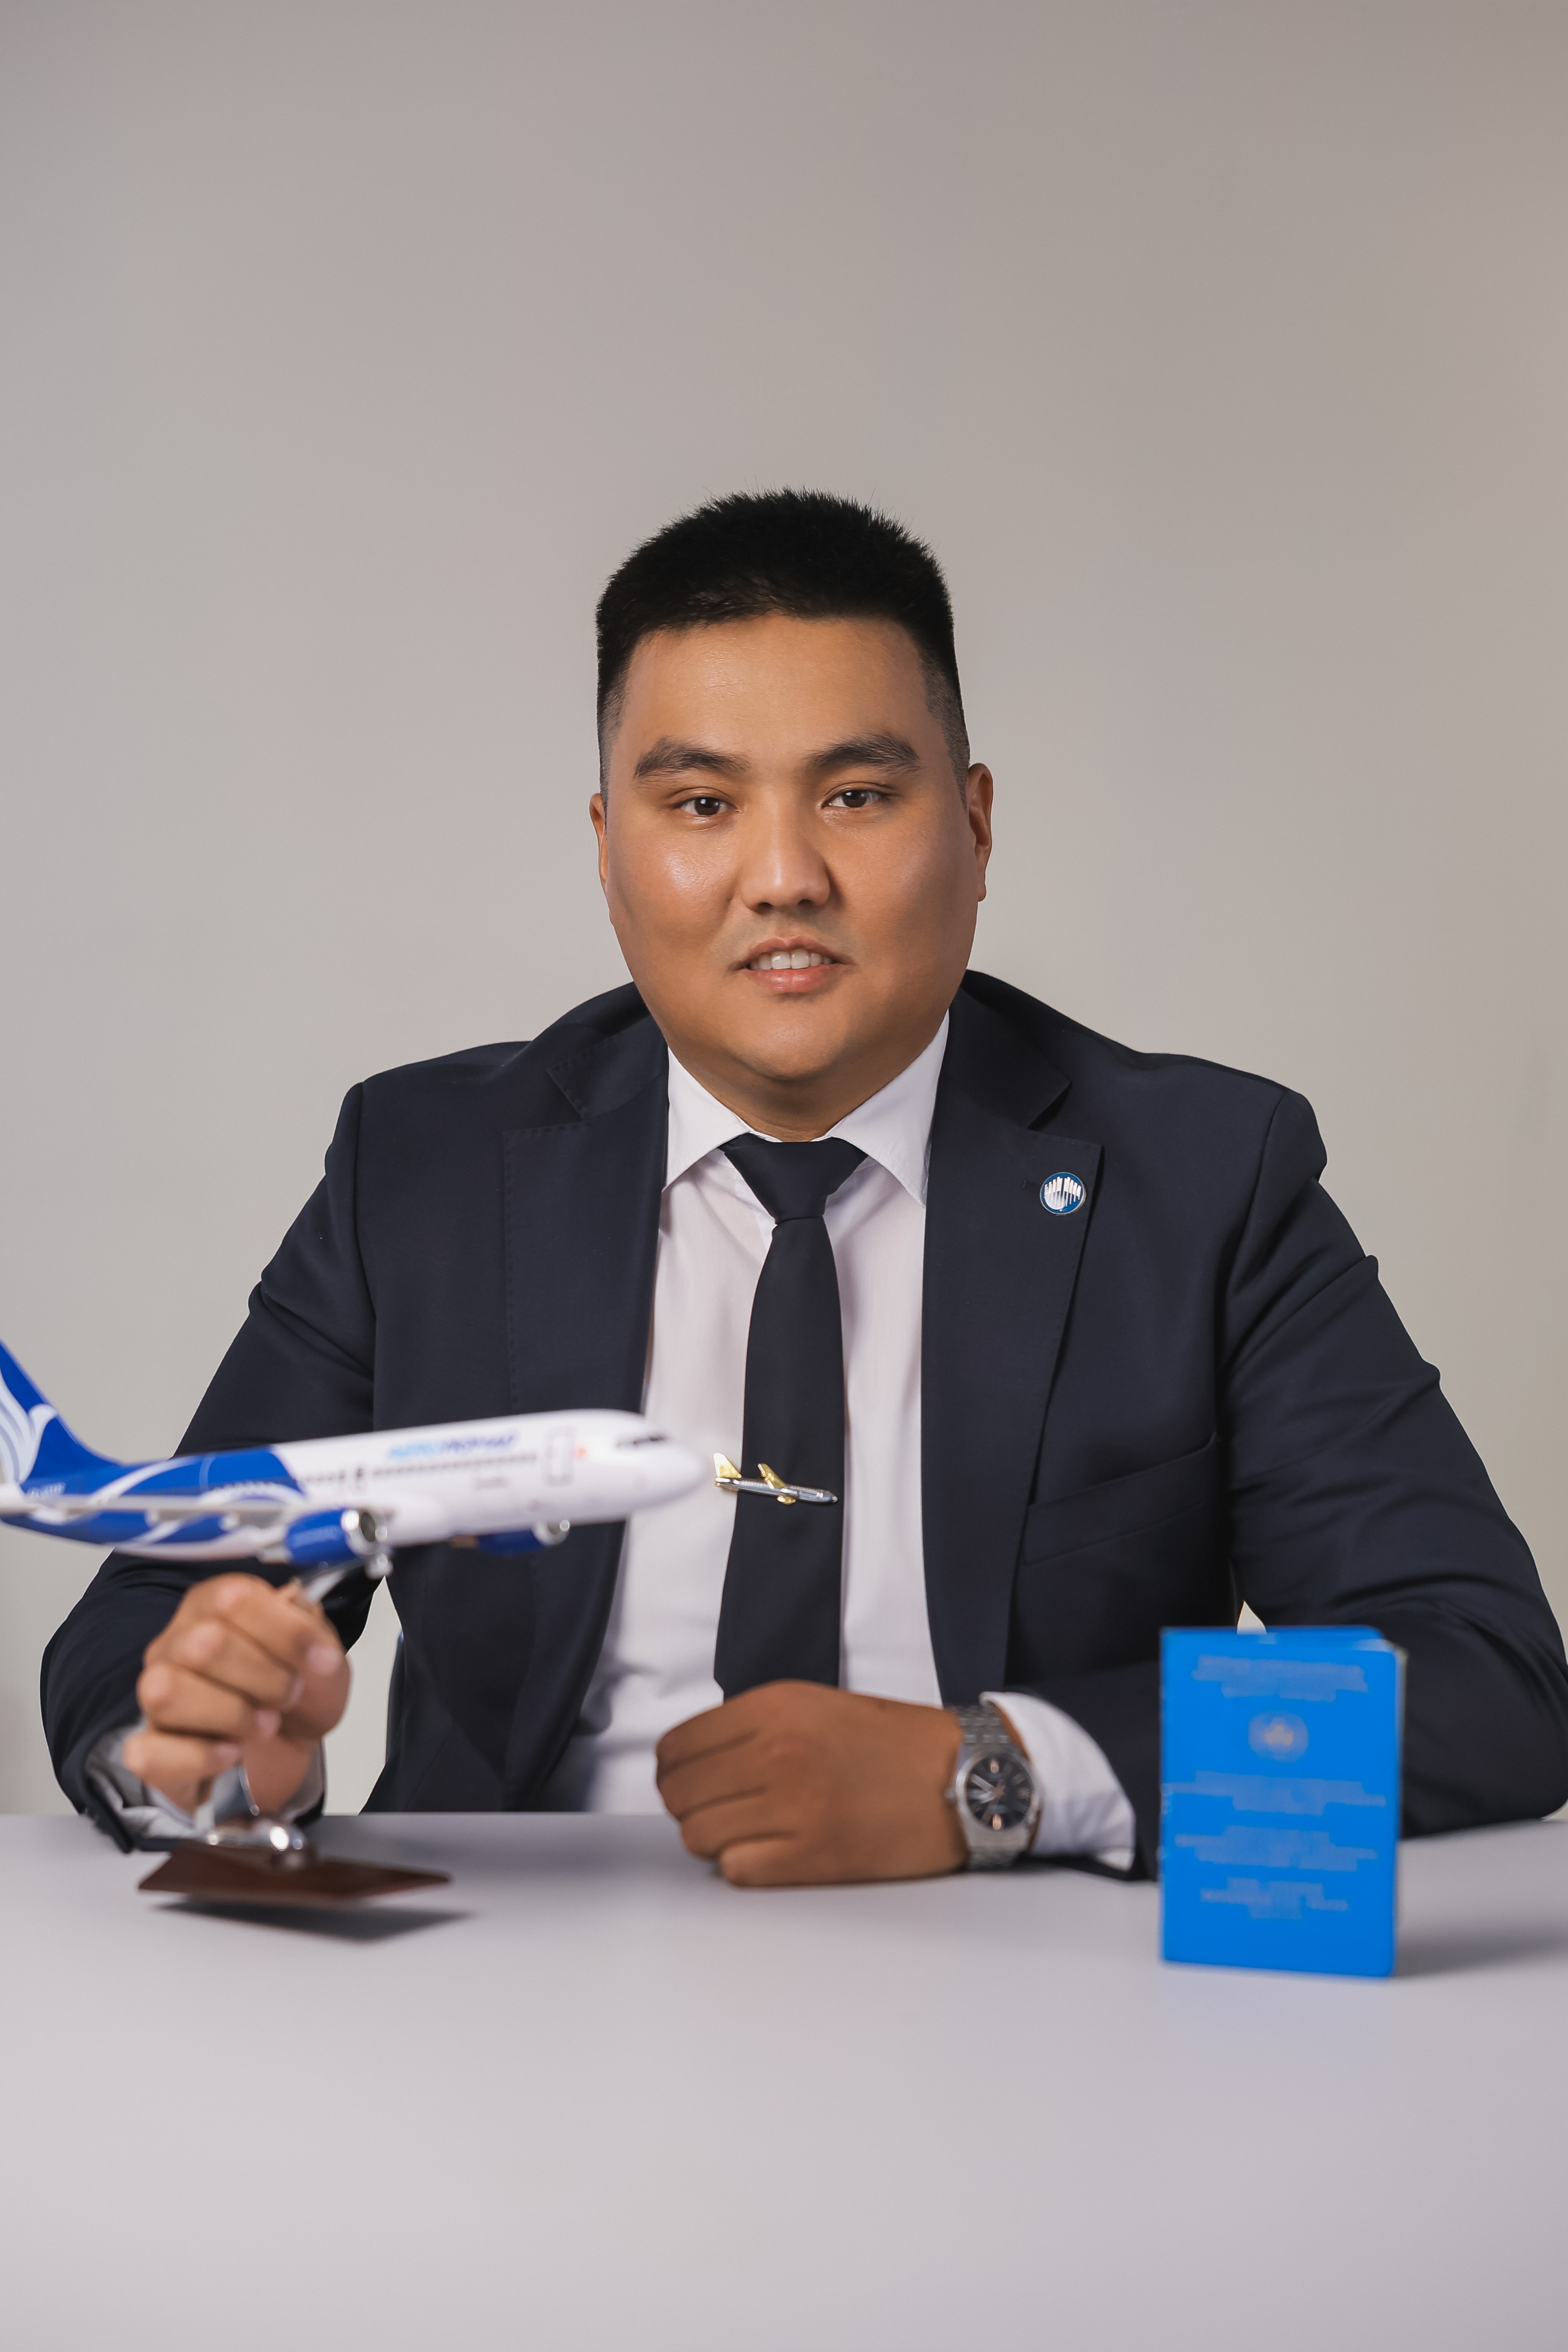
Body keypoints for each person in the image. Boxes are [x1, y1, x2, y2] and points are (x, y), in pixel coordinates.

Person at [42, 491, 1568, 1883]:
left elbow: (1485, 1680)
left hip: (1040, 1998)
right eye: (701, 804)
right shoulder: (425, 1172)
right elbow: (136, 1641)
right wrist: (207, 1763)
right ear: (607, 847)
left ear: (974, 825)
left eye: (854, 795)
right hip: (506, 1998)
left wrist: (996, 1775)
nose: (782, 876)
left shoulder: (1203, 1182)